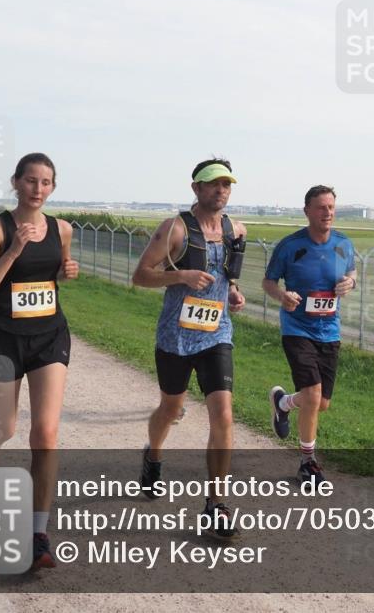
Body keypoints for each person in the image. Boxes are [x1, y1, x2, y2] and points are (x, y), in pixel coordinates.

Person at [0, 153, 79, 570]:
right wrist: (12, 251)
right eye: (30, 180)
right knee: (4, 426)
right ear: (16, 183)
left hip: (49, 335)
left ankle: (37, 534)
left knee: (45, 434)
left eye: (46, 182)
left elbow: (54, 277)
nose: (38, 188)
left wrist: (67, 270)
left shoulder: (62, 228)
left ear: (52, 187)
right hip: (2, 339)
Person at [131, 158, 247, 537]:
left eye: (226, 184)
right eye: (213, 184)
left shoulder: (236, 230)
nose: (221, 191)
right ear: (196, 188)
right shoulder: (175, 228)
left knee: (223, 415)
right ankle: (154, 453)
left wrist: (232, 292)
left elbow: (227, 276)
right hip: (176, 337)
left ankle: (217, 503)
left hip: (217, 335)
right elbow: (141, 275)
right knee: (171, 408)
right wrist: (181, 275)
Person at [263, 185, 356, 487]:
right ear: (307, 211)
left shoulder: (344, 244)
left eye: (331, 207)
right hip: (297, 328)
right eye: (321, 207)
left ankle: (283, 404)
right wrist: (281, 295)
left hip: (329, 330)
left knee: (321, 403)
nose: (327, 213)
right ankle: (308, 463)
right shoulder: (290, 246)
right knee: (314, 396)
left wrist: (350, 284)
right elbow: (268, 282)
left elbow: (352, 273)